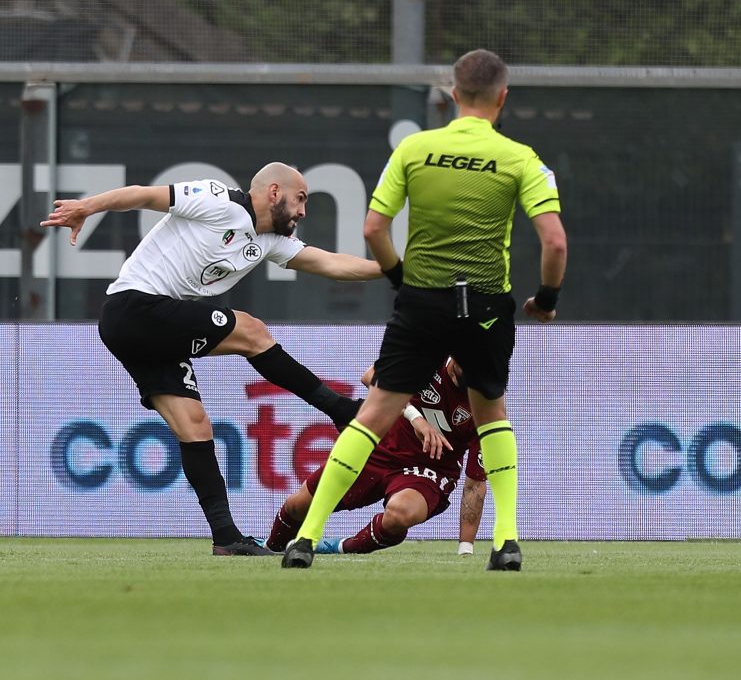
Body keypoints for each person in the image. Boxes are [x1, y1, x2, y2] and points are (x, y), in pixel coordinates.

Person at [283, 49, 568, 571]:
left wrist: (400, 281)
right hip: (484, 305)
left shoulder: (415, 149)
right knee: (492, 418)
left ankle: (306, 538)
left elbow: (373, 229)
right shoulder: (522, 158)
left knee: (371, 417)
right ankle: (506, 543)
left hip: (423, 300)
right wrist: (544, 300)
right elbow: (554, 242)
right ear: (502, 98)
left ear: (452, 96)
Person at [40, 162, 383, 556]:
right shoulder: (217, 199)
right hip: (134, 308)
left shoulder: (269, 241)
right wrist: (87, 207)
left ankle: (226, 538)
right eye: (300, 199)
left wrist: (392, 270)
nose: (304, 211)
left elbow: (332, 264)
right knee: (251, 331)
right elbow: (142, 193)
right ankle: (340, 409)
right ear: (275, 192)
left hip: (147, 331)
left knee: (195, 425)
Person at [265, 358, 488, 556]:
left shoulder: (487, 403)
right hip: (379, 450)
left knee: (399, 514)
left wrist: (465, 548)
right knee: (297, 505)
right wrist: (415, 417)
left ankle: (342, 547)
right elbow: (370, 376)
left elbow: (475, 486)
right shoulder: (428, 357)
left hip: (429, 471)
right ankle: (269, 548)